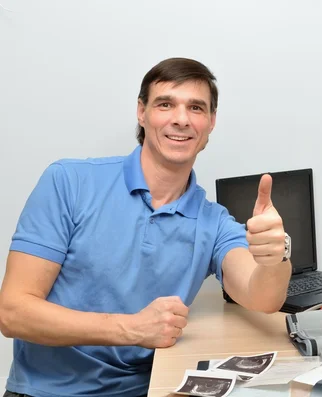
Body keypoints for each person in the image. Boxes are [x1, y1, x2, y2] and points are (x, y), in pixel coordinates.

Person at [0, 57, 293, 397]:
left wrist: (277, 258)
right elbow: (12, 312)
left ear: (211, 122)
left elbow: (263, 297)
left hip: (146, 391)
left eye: (196, 108)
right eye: (165, 104)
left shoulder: (213, 221)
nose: (181, 119)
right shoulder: (68, 182)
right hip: (46, 392)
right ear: (142, 112)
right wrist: (131, 329)